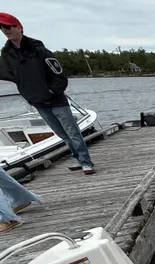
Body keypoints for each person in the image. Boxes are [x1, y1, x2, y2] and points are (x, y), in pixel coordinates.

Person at [0, 13, 96, 175]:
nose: (5, 30)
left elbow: (59, 76)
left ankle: (86, 162)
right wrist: (29, 93)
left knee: (72, 132)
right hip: (37, 102)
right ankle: (77, 158)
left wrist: (51, 92)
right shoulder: (7, 53)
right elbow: (9, 74)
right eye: (2, 28)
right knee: (62, 135)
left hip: (56, 101)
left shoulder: (40, 51)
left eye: (8, 27)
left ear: (19, 28)